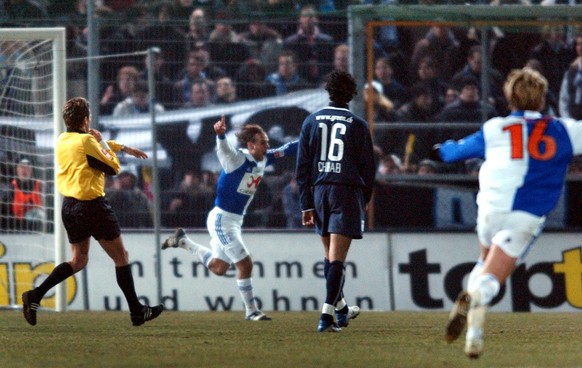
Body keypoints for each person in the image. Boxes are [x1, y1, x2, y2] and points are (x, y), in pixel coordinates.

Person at [434, 67, 582, 358]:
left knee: (484, 262)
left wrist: (440, 148)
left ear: (509, 98)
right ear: (542, 100)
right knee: (491, 280)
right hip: (526, 214)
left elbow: (451, 154)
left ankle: (474, 329)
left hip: (491, 208)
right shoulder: (565, 129)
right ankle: (476, 299)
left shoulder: (495, 128)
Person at [21, 97, 163, 326]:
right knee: (121, 257)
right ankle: (137, 312)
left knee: (78, 260)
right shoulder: (87, 141)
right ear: (86, 120)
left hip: (69, 206)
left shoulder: (63, 139)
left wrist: (122, 147)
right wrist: (107, 146)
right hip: (93, 206)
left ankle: (35, 295)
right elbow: (114, 167)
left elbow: (93, 146)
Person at [161, 116, 298, 321]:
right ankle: (251, 311)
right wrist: (221, 135)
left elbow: (287, 149)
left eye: (267, 142)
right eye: (263, 142)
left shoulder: (264, 158)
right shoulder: (237, 159)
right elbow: (224, 149)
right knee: (245, 264)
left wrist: (313, 134)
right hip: (222, 220)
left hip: (234, 220)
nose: (267, 146)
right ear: (251, 145)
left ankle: (184, 242)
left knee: (219, 267)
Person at [295, 71, 375, 332]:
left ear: (328, 92)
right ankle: (325, 317)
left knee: (330, 259)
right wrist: (364, 199)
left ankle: (341, 311)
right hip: (346, 191)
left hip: (319, 193)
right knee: (337, 260)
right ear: (351, 94)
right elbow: (368, 169)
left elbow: (302, 168)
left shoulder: (310, 121)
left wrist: (306, 204)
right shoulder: (359, 125)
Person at [6, 157, 44, 231]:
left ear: (32, 169)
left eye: (28, 166)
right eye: (21, 166)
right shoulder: (10, 188)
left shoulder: (40, 186)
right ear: (16, 169)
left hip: (37, 231)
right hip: (15, 231)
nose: (24, 170)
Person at [559, 33, 582, 120]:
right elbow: (564, 98)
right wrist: (567, 120)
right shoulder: (571, 71)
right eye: (578, 44)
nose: (580, 48)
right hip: (573, 122)